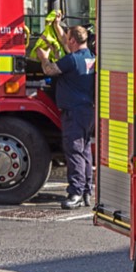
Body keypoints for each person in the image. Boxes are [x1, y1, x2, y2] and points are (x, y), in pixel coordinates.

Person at [37, 14, 96, 209]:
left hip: (73, 112)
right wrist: (57, 24)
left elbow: (50, 70)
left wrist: (44, 57)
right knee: (84, 151)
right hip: (86, 111)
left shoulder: (71, 60)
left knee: (74, 152)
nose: (65, 40)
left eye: (68, 38)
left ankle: (75, 193)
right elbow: (64, 40)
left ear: (73, 41)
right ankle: (87, 191)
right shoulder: (89, 56)